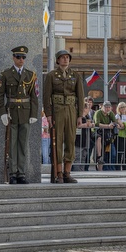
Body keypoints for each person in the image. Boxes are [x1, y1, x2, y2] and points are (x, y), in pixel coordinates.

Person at [0, 45, 39, 184]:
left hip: (25, 113)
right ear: (13, 58)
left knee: (23, 144)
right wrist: (2, 113)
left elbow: (34, 96)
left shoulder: (31, 75)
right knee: (12, 144)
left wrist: (34, 114)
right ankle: (13, 173)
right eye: (19, 57)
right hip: (12, 113)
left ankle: (21, 173)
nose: (21, 60)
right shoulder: (6, 74)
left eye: (23, 57)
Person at [42, 49, 85, 183]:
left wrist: (79, 115)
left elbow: (80, 96)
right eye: (62, 57)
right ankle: (58, 173)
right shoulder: (51, 76)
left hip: (71, 110)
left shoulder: (75, 75)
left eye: (67, 57)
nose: (65, 60)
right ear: (58, 60)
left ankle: (67, 172)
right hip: (57, 110)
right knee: (57, 142)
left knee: (70, 141)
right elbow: (46, 96)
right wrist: (48, 114)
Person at [93, 100, 118, 171]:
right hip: (98, 133)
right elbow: (97, 124)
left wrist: (114, 124)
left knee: (111, 153)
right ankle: (100, 166)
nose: (107, 109)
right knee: (100, 152)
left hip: (108, 135)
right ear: (102, 107)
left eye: (109, 107)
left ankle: (108, 168)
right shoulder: (98, 112)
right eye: (106, 107)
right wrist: (108, 126)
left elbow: (114, 122)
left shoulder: (110, 113)